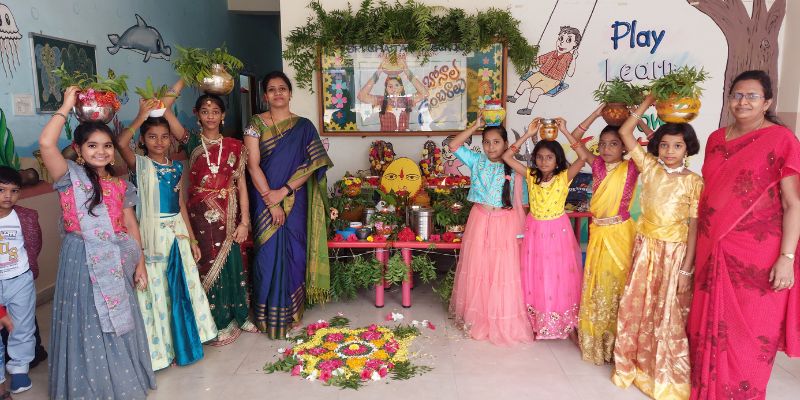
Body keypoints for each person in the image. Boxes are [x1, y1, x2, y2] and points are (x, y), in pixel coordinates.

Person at [687, 70, 800, 400]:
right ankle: (706, 389)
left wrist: (786, 258)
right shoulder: (715, 139)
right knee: (705, 321)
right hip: (713, 247)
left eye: (752, 96)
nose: (742, 102)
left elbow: (794, 203)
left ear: (766, 103)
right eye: (737, 95)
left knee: (753, 329)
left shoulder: (782, 140)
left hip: (757, 254)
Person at [40, 87, 155, 399]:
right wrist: (66, 104)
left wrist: (140, 264)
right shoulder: (68, 177)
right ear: (78, 149)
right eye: (92, 146)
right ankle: (89, 382)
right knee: (87, 318)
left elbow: (130, 225)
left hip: (117, 258)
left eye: (107, 146)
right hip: (80, 257)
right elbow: (46, 143)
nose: (101, 152)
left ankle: (120, 379)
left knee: (118, 318)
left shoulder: (120, 184)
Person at [611, 95, 703, 400]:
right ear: (656, 147)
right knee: (637, 307)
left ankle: (664, 374)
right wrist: (647, 102)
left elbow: (694, 229)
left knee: (667, 314)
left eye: (677, 146)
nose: (670, 151)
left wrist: (686, 270)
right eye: (664, 145)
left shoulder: (694, 182)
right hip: (645, 249)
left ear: (688, 148)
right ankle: (634, 365)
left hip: (675, 254)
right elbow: (625, 132)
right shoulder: (649, 167)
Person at [117, 97, 218, 369]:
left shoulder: (176, 167)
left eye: (164, 137)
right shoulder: (140, 165)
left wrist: (192, 238)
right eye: (152, 137)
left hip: (177, 233)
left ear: (171, 140)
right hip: (153, 235)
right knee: (159, 286)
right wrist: (141, 115)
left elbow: (180, 204)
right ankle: (162, 348)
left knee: (184, 282)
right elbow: (121, 143)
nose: (159, 142)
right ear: (143, 140)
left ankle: (189, 337)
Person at [244, 71, 333, 339]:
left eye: (282, 88)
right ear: (265, 96)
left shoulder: (304, 127)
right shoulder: (254, 125)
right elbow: (252, 165)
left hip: (294, 198)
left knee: (295, 252)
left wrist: (283, 191)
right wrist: (270, 200)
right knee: (267, 255)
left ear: (290, 93)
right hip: (264, 201)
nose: (278, 93)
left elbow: (313, 164)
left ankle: (293, 312)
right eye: (272, 89)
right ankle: (267, 314)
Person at [164, 88, 255, 346]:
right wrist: (187, 76)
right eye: (205, 111)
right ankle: (217, 322)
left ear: (223, 115)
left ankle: (240, 315)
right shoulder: (191, 140)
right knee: (207, 264)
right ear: (197, 115)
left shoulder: (235, 146)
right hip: (200, 215)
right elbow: (165, 108)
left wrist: (245, 221)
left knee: (233, 262)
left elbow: (241, 186)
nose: (211, 116)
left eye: (215, 111)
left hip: (230, 212)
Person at [571, 105, 650, 365]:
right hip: (599, 233)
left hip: (621, 234)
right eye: (603, 143)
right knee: (598, 283)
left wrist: (639, 117)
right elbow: (575, 137)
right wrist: (596, 114)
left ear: (625, 147)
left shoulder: (633, 167)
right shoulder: (597, 166)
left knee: (620, 282)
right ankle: (598, 339)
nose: (606, 149)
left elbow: (656, 144)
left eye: (613, 144)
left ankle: (619, 341)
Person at [448, 115, 533, 345]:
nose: (491, 147)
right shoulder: (477, 161)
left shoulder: (515, 169)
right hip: (480, 220)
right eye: (486, 142)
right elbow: (454, 145)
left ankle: (502, 318)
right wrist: (475, 126)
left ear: (506, 144)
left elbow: (523, 205)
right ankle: (479, 318)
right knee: (480, 268)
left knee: (502, 271)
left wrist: (522, 233)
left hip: (506, 223)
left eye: (496, 142)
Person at [503, 117, 587, 339]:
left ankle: (563, 322)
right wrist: (528, 135)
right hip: (535, 231)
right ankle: (538, 321)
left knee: (558, 274)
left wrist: (565, 130)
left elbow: (583, 158)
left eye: (549, 157)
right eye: (539, 157)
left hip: (558, 232)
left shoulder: (563, 177)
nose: (543, 161)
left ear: (557, 160)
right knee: (537, 273)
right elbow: (507, 157)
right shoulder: (531, 176)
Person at [0, 167, 40, 394]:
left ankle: (19, 370)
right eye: (1, 190)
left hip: (19, 279)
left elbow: (34, 244)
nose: (8, 196)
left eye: (14, 190)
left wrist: (27, 270)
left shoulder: (26, 216)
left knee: (22, 326)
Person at [357, 53, 429, 131]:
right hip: (386, 137)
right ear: (386, 89)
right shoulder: (381, 101)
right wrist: (379, 70)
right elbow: (361, 96)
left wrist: (407, 70)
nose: (393, 88)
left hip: (405, 137)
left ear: (401, 88)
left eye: (396, 85)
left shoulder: (407, 100)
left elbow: (425, 93)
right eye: (390, 86)